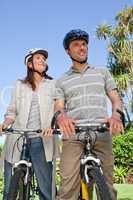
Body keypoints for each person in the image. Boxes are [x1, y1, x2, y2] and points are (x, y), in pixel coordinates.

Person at [54, 29, 124, 200]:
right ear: (68, 51)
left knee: (107, 187)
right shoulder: (62, 80)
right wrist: (61, 116)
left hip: (101, 133)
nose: (82, 47)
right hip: (73, 135)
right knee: (68, 188)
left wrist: (116, 115)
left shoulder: (102, 72)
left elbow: (116, 99)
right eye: (76, 45)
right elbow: (58, 106)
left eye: (84, 44)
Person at [0, 48, 58, 200]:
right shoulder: (19, 84)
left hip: (41, 138)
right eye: (38, 58)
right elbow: (12, 111)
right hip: (18, 137)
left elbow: (59, 110)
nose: (43, 61)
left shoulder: (53, 84)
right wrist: (5, 124)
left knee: (46, 191)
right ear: (30, 64)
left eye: (44, 59)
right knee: (8, 191)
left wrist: (52, 126)